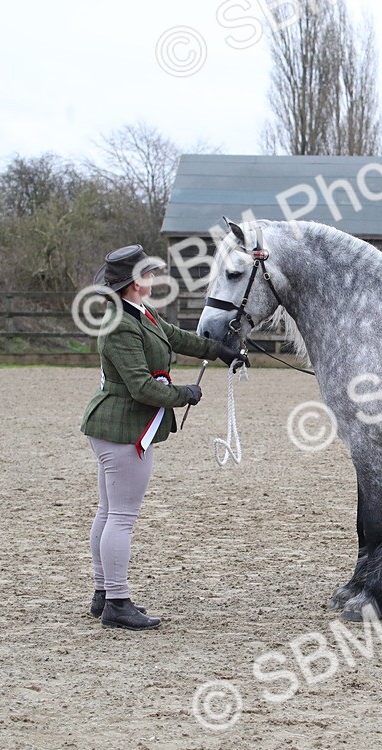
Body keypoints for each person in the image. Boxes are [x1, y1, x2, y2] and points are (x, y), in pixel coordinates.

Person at [80, 244, 244, 631]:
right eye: (149, 273)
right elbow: (141, 387)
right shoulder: (119, 324)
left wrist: (220, 350)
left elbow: (177, 338)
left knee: (109, 512)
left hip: (116, 427)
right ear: (135, 282)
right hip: (123, 429)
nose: (154, 278)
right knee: (120, 516)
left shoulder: (141, 314)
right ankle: (117, 603)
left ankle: (104, 594)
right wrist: (183, 394)